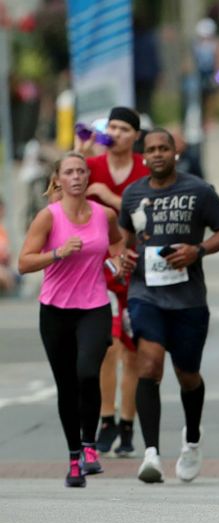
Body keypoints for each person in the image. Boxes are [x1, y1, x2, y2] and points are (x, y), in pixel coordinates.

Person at [119, 129, 219, 483]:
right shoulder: (132, 194)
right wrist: (124, 258)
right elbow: (124, 241)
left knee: (187, 375)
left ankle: (192, 439)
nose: (157, 154)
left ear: (175, 153)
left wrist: (197, 250)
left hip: (188, 299)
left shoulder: (198, 190)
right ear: (143, 156)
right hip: (146, 294)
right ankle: (151, 454)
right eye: (151, 149)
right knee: (150, 365)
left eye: (163, 149)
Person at [18, 152, 123, 487]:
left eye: (81, 171)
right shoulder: (48, 218)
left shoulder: (104, 215)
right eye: (70, 172)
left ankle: (90, 446)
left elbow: (118, 242)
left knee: (88, 373)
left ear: (87, 178)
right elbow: (23, 263)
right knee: (66, 385)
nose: (77, 177)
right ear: (59, 180)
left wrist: (118, 262)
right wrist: (57, 253)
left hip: (94, 306)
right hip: (55, 311)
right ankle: (74, 457)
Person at [80, 106, 149, 458]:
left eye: (124, 128)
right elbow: (69, 202)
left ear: (136, 135)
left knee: (133, 351)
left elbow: (149, 214)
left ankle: (127, 423)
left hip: (138, 269)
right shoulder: (91, 167)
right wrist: (81, 152)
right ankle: (106, 419)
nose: (117, 133)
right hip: (100, 269)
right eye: (113, 128)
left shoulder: (144, 168)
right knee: (106, 347)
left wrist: (108, 197)